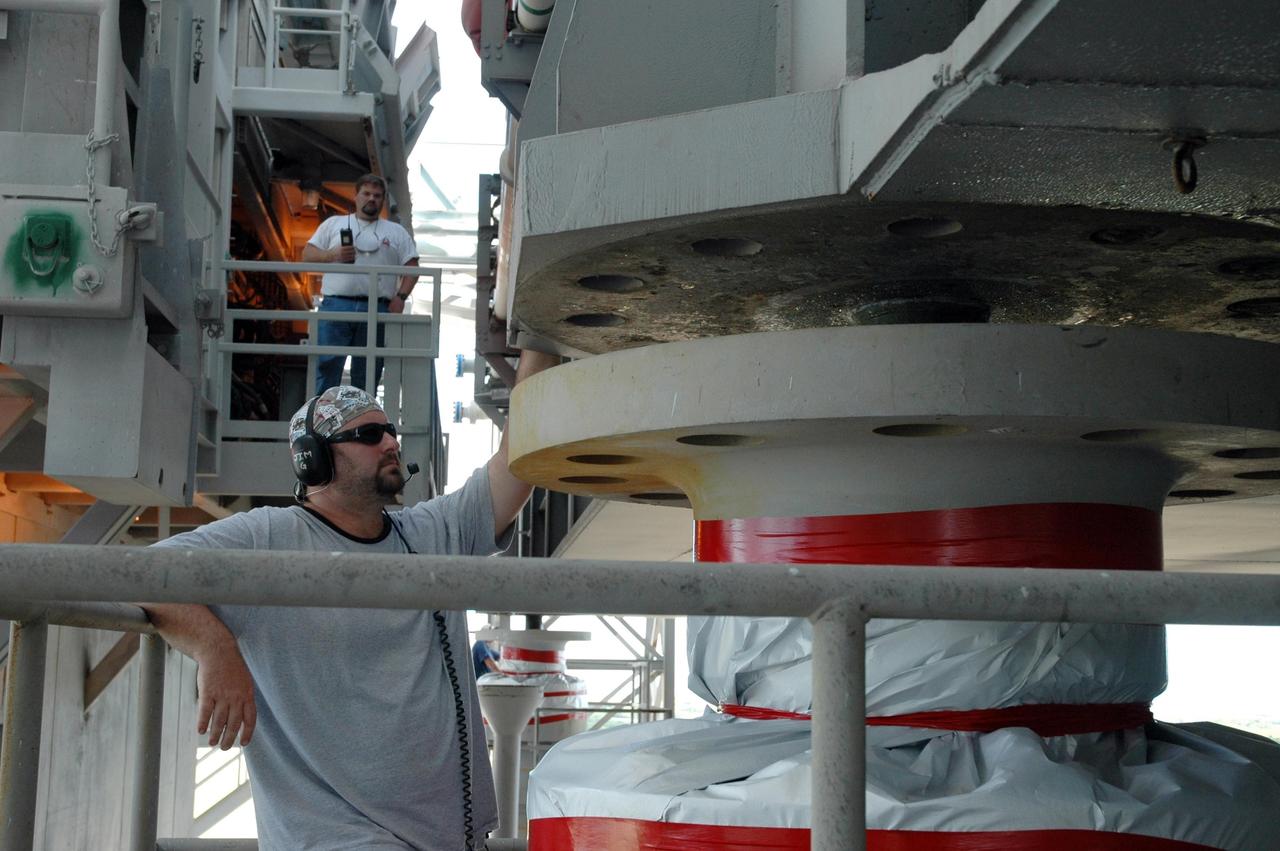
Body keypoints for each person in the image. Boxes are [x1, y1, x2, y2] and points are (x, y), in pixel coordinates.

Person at [142, 350, 558, 851]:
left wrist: (539, 342)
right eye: (367, 435)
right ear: (313, 460)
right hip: (338, 839)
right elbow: (142, 573)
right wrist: (215, 648)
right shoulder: (270, 538)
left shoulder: (431, 531)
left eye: (389, 432)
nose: (389, 443)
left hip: (449, 836)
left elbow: (519, 460)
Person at [302, 174, 419, 394]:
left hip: (376, 307)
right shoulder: (333, 224)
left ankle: (362, 421)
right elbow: (307, 255)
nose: (371, 199)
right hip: (337, 304)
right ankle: (321, 417)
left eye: (377, 195)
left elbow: (412, 266)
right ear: (356, 197)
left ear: (383, 200)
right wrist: (332, 255)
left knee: (368, 369)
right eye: (366, 194)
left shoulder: (395, 232)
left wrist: (401, 297)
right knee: (327, 364)